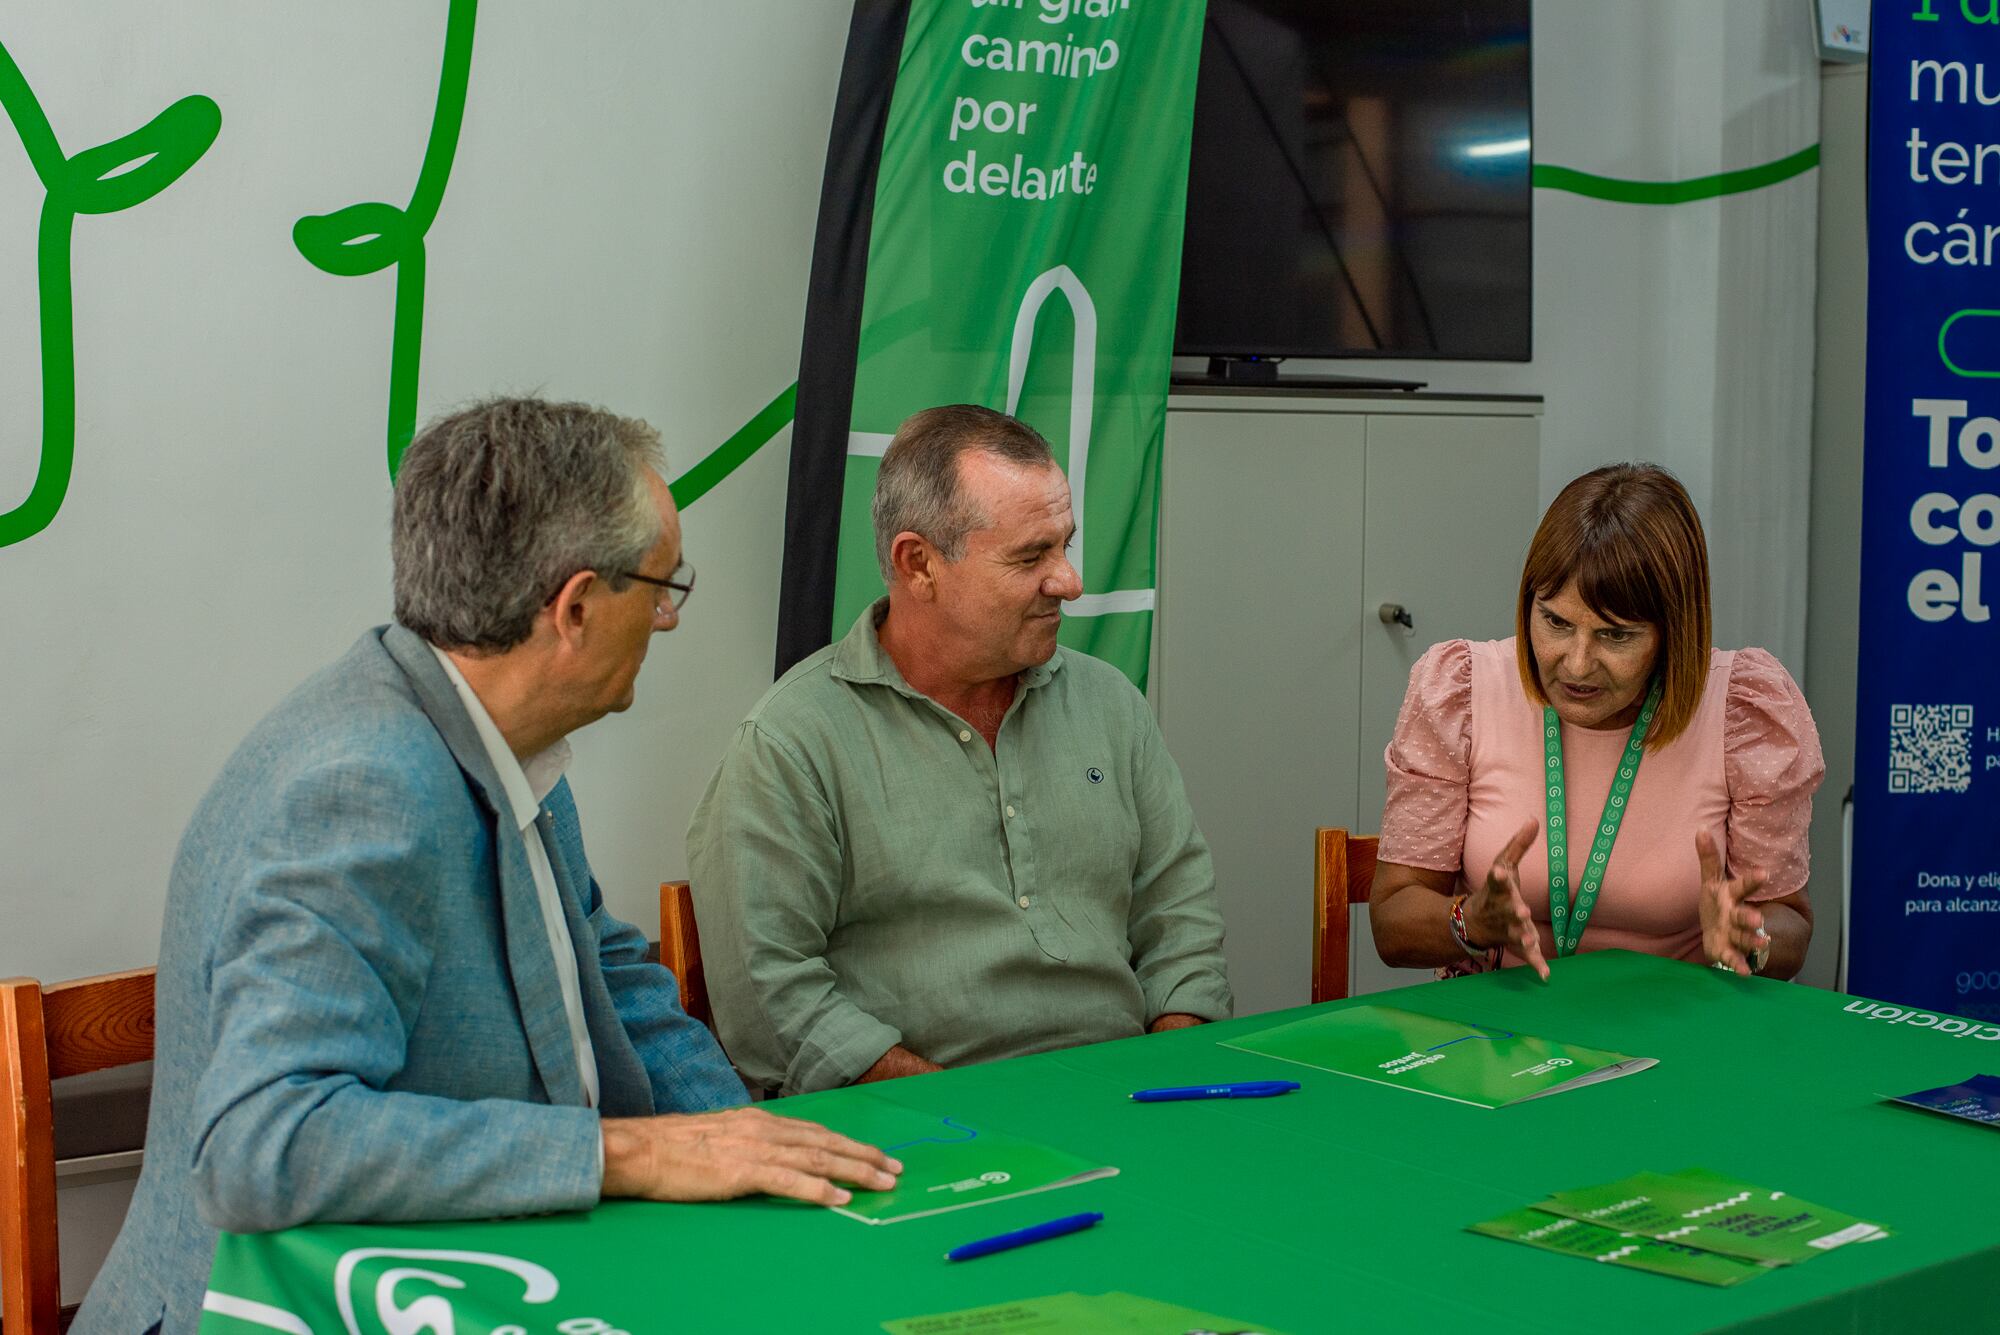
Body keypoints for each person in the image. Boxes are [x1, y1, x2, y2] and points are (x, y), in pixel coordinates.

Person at [77, 398, 898, 1335]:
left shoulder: (496, 728)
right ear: (576, 608)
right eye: (662, 587)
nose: (668, 620)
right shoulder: (363, 788)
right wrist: (626, 1154)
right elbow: (262, 1141)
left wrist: (758, 1147)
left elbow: (604, 969)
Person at [688, 404, 1232, 1096]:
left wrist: (1171, 1076)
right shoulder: (793, 743)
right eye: (1032, 555)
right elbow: (773, 1002)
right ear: (918, 564)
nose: (1070, 581)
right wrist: (959, 1111)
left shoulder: (1109, 702)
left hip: (1136, 1098)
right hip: (921, 1130)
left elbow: (1180, 916)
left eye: (1065, 544)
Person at [1368, 462, 1824, 982]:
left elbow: (1791, 927)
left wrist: (1750, 938)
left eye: (1615, 635)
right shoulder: (1461, 693)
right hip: (1497, 1036)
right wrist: (1468, 921)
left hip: (1673, 1033)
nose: (1577, 663)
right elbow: (1392, 922)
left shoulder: (1743, 712)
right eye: (1556, 622)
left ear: (1674, 633)